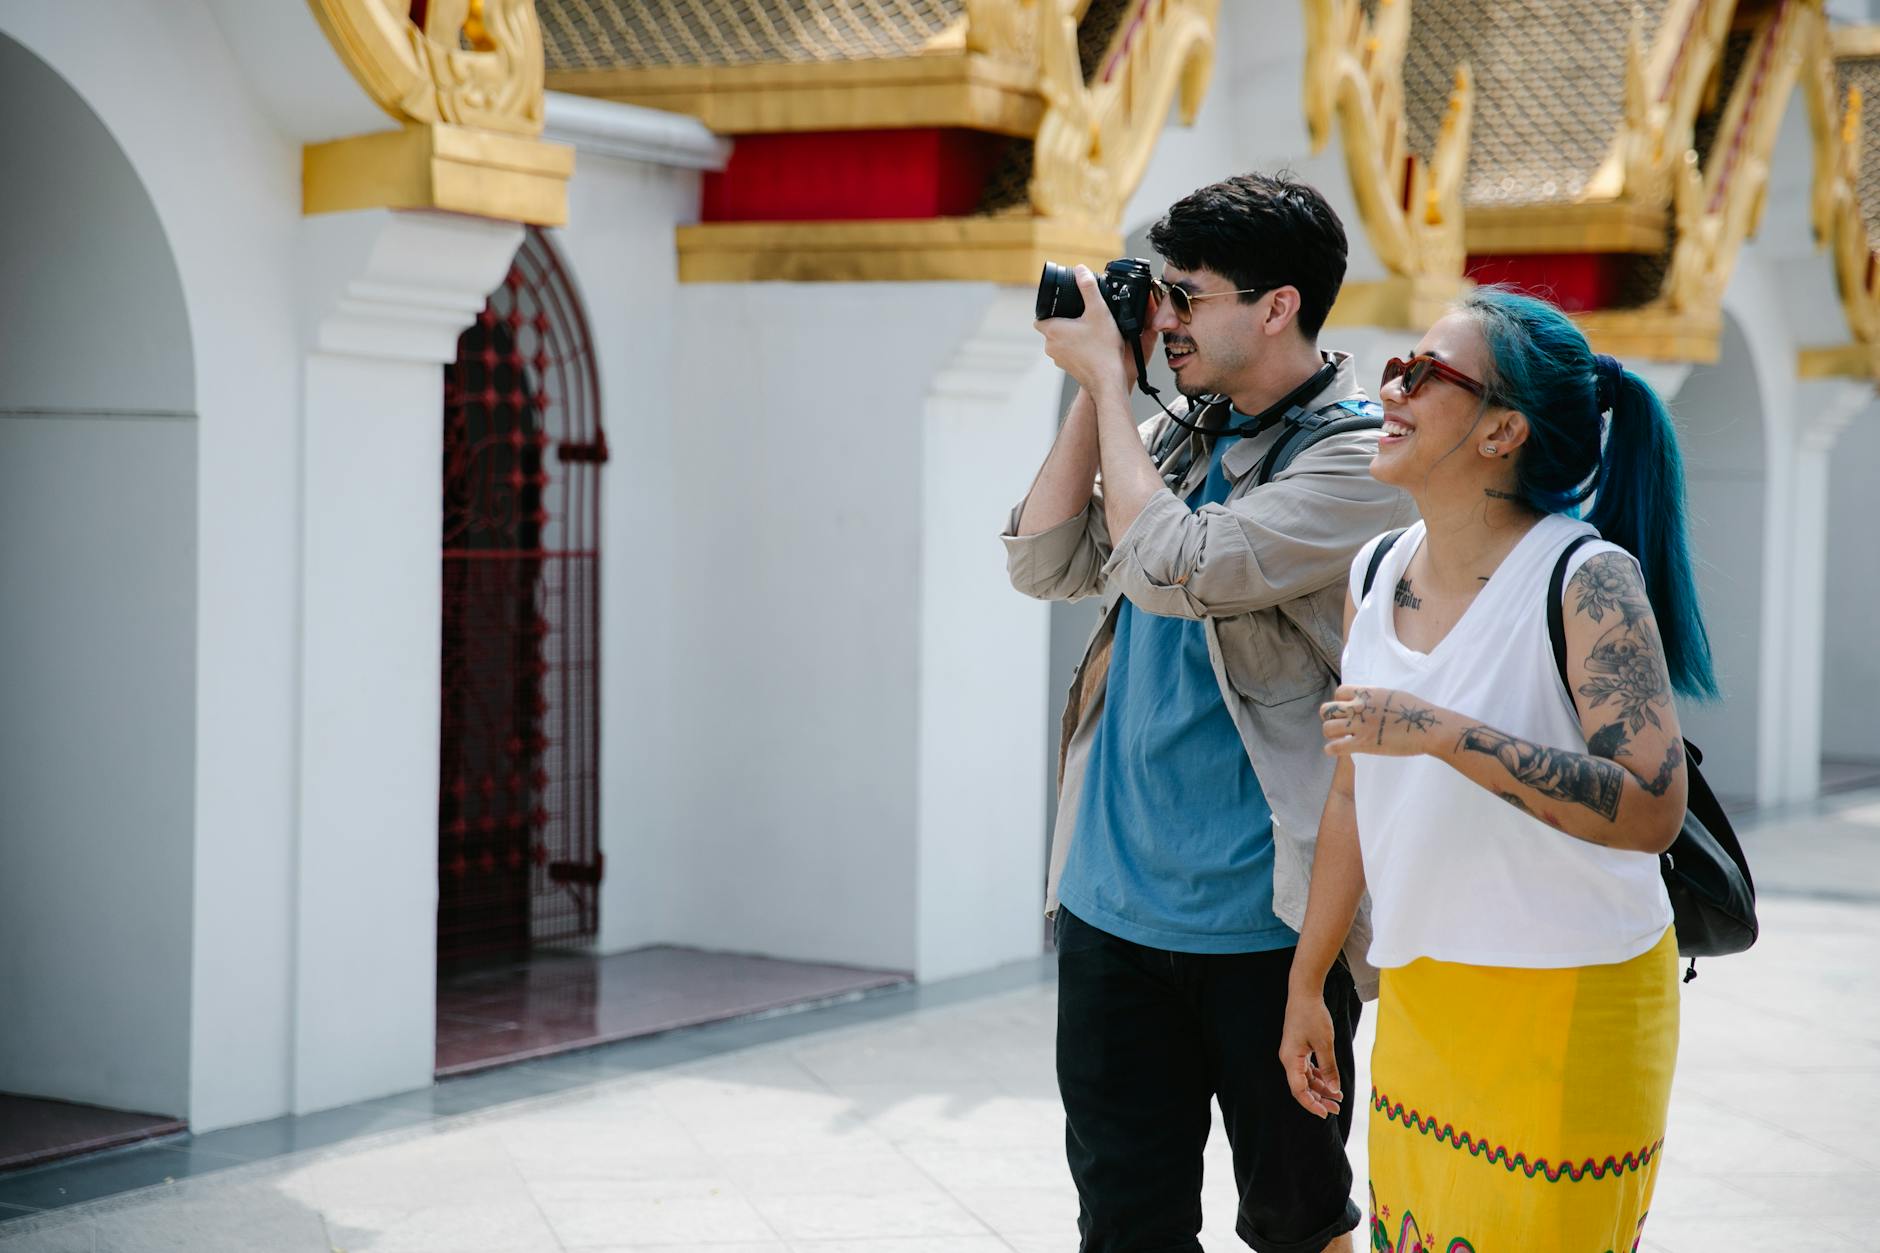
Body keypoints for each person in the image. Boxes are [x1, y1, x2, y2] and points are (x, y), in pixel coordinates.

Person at [1003, 171, 1415, 1253]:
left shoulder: (1357, 455)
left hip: (1266, 922)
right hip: (1110, 906)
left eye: (1186, 298)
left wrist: (1109, 384)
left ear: (1275, 305)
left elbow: (1179, 562)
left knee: (1294, 1220)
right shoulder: (1182, 433)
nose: (1163, 318)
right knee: (1123, 1224)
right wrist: (1109, 389)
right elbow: (1045, 561)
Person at [1279, 286, 1717, 1253]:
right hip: (1426, 991)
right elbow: (1353, 791)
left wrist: (1439, 730)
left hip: (1574, 997)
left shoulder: (1587, 577)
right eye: (1397, 365)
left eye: (1422, 374)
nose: (1388, 387)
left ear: (1502, 429)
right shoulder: (1374, 571)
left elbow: (1652, 806)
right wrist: (1311, 981)